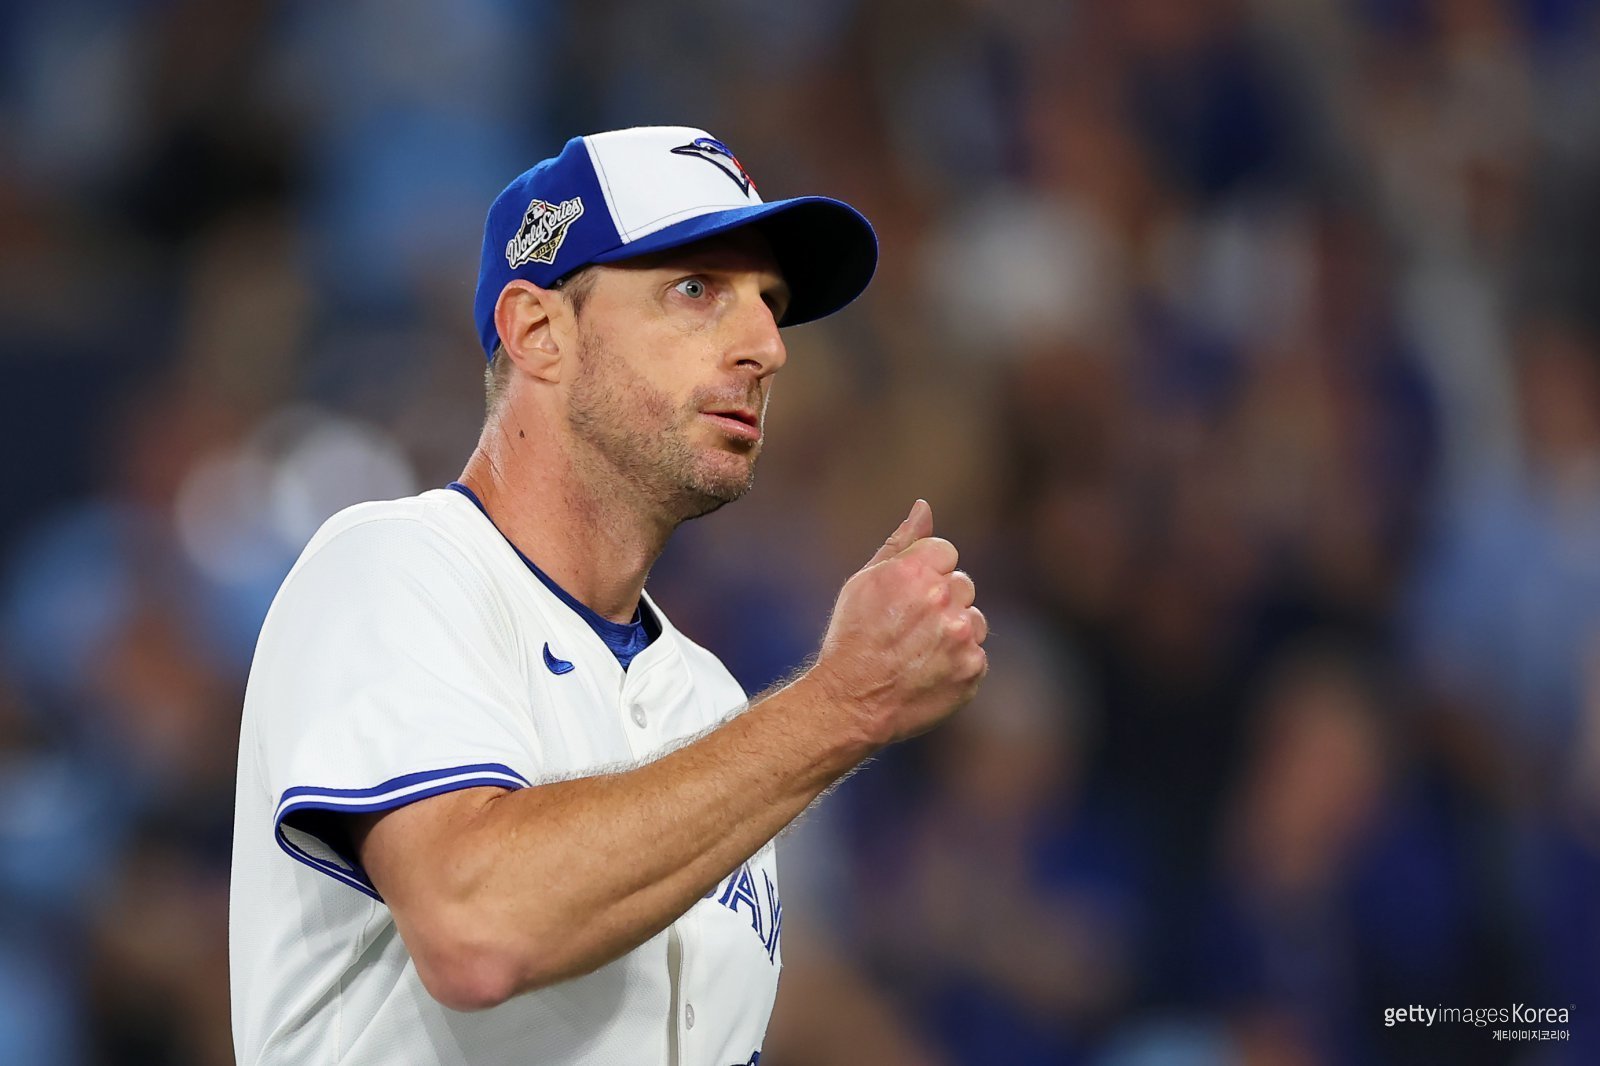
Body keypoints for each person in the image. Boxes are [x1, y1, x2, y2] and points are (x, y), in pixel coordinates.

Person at [228, 125, 989, 1066]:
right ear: (538, 331)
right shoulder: (394, 566)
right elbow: (475, 929)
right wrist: (844, 703)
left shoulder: (709, 698)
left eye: (771, 303)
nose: (766, 347)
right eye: (696, 290)